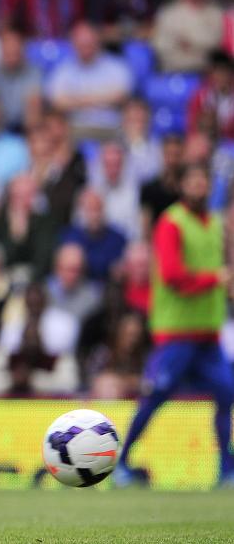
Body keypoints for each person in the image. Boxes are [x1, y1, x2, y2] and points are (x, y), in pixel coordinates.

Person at [114, 164, 234, 488]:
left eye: (203, 181)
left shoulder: (216, 224)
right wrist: (217, 279)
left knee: (227, 394)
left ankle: (226, 469)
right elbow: (172, 275)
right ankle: (121, 463)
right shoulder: (171, 222)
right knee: (154, 397)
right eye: (192, 181)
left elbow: (222, 269)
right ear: (182, 186)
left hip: (208, 333)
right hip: (176, 333)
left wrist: (225, 283)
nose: (198, 187)